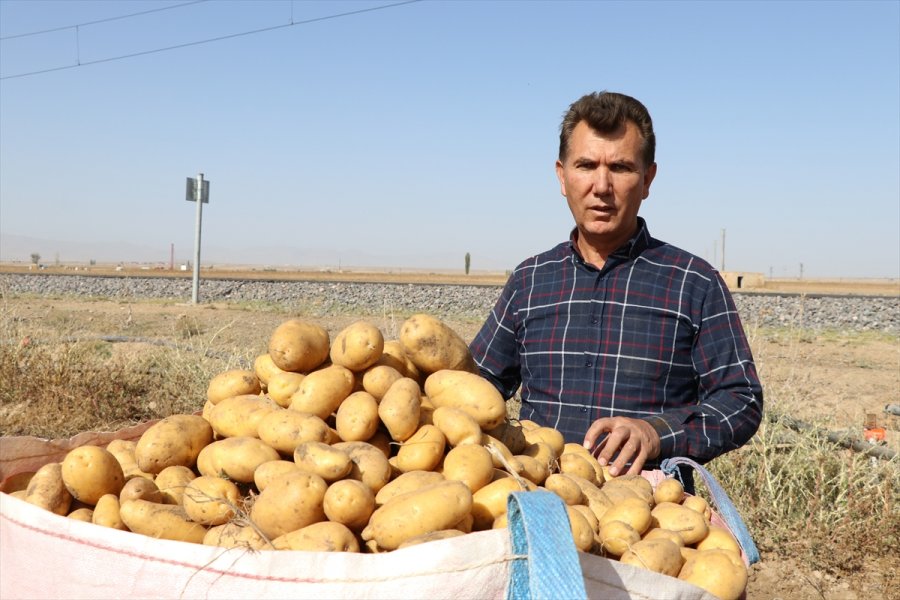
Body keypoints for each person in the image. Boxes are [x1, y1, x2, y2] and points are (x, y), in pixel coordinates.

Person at [469, 91, 763, 485]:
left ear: (647, 179)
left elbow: (740, 401)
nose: (602, 185)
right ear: (562, 176)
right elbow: (477, 385)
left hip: (649, 516)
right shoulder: (530, 280)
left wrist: (656, 433)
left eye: (621, 167)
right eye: (586, 165)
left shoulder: (694, 282)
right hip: (540, 501)